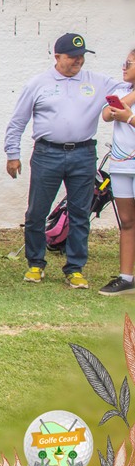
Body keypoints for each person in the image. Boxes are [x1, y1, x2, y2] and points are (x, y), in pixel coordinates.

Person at [5, 32, 120, 289]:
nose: (78, 61)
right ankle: (36, 263)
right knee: (37, 211)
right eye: (72, 56)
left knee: (80, 213)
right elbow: (18, 121)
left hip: (83, 153)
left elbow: (127, 88)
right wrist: (12, 154)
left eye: (82, 56)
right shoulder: (38, 84)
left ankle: (75, 267)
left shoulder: (97, 81)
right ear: (57, 56)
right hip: (48, 153)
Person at [100, 48, 135, 296]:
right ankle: (126, 278)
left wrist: (129, 118)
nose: (123, 67)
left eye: (129, 63)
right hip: (121, 166)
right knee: (127, 221)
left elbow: (123, 114)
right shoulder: (122, 91)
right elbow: (106, 114)